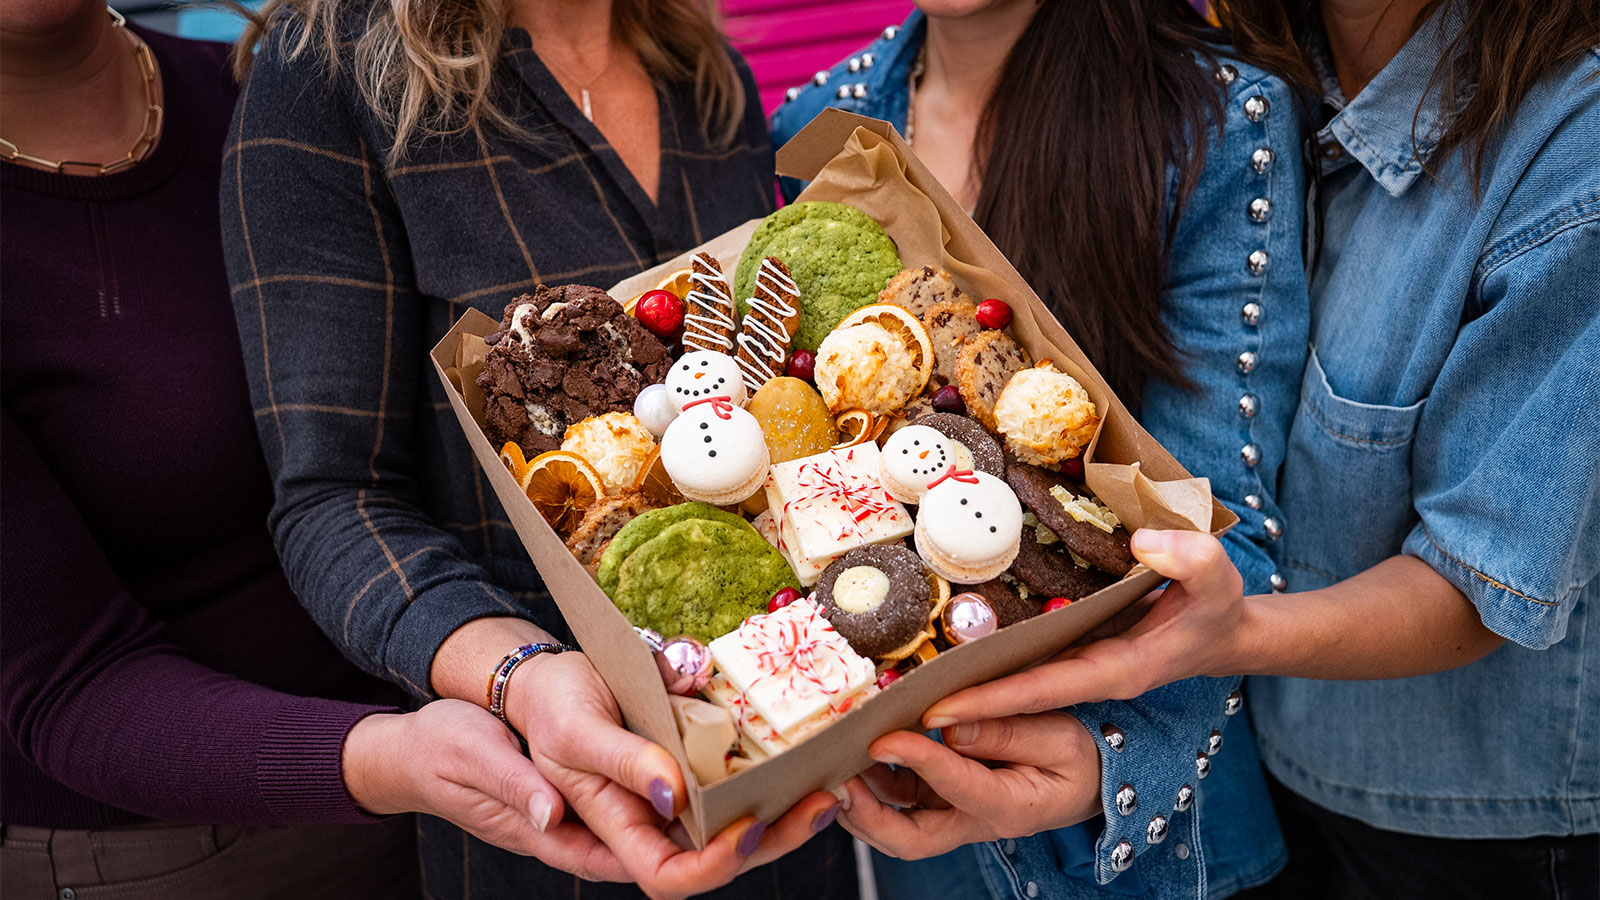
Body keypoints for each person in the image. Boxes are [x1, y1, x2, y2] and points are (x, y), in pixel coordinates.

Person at [899, 1, 1600, 898]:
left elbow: (1480, 576)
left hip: (1474, 819)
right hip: (1273, 769)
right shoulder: (1285, 68)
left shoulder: (1566, 148)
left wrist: (1224, 642)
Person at [221, 1, 849, 898]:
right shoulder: (330, 72)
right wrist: (518, 674)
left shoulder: (706, 77)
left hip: (786, 757)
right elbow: (333, 500)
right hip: (554, 796)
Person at [0, 3, 582, 898]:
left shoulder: (273, 91)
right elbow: (65, 680)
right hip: (188, 851)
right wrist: (393, 753)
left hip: (476, 744)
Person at [772, 1, 1314, 897]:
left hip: (1151, 848)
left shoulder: (1208, 120)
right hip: (919, 828)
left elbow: (1220, 533)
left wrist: (1112, 758)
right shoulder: (823, 125)